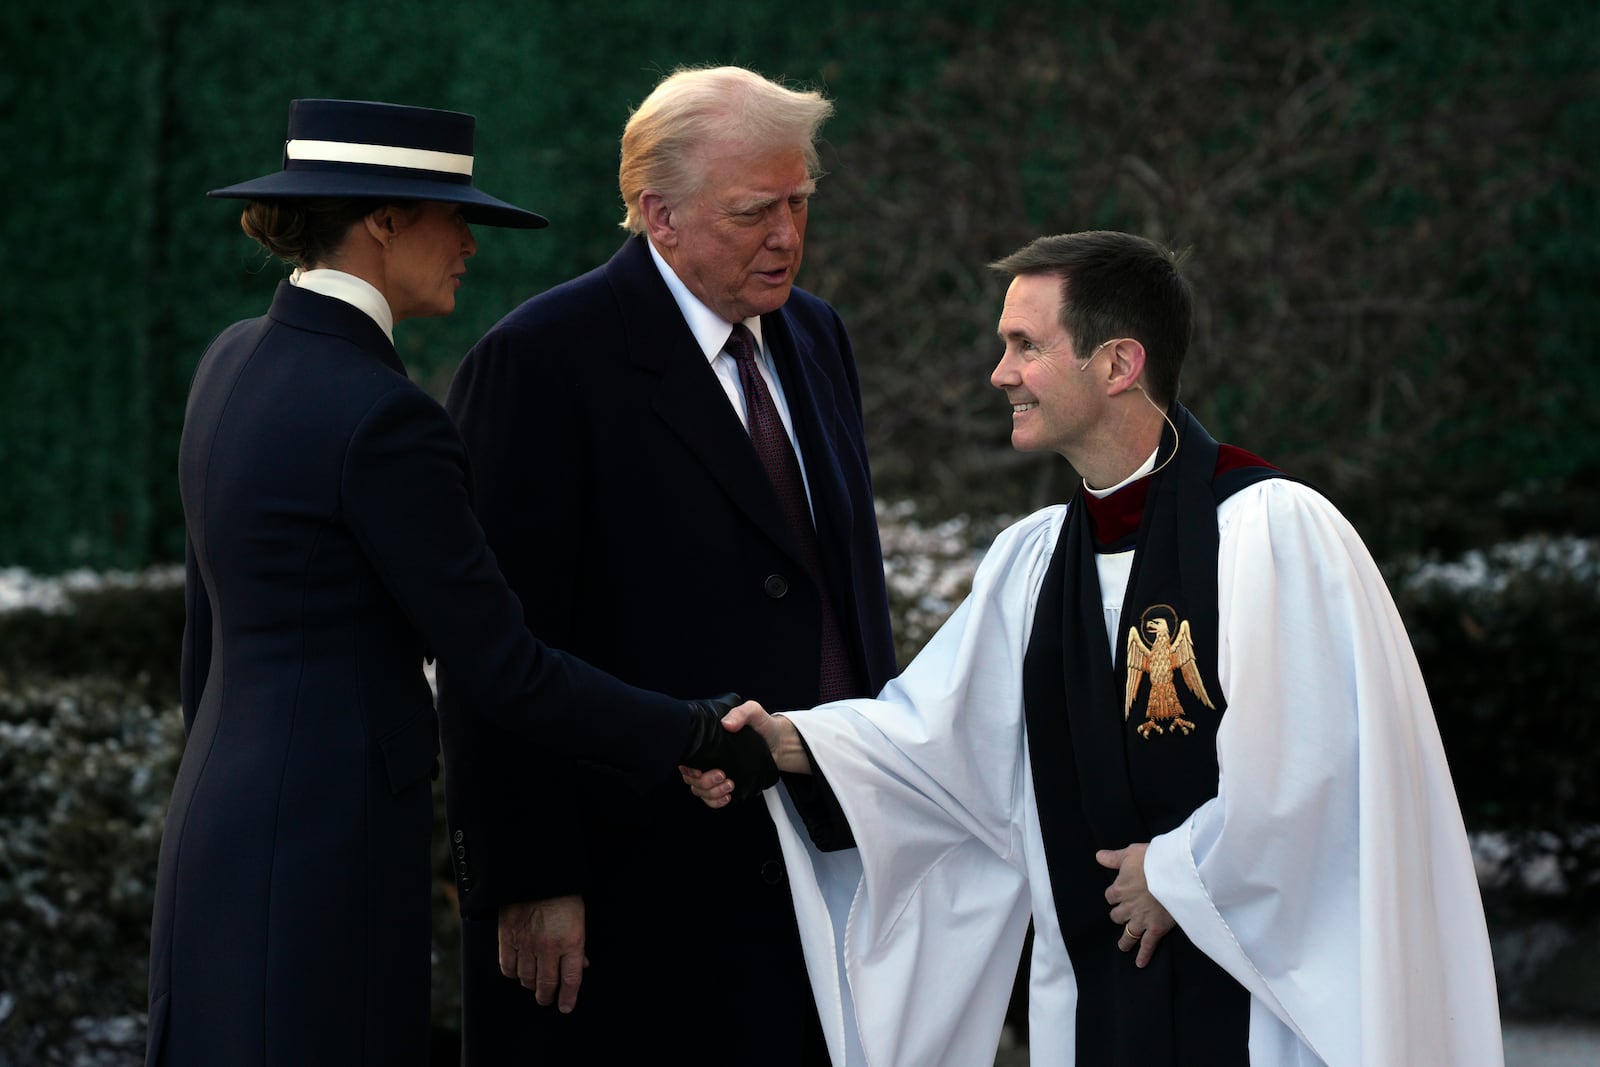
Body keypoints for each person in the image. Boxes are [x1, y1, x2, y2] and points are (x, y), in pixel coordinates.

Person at [687, 232, 1504, 1065]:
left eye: (1025, 346)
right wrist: (786, 741)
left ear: (1117, 365)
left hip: (1261, 1013)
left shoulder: (1273, 531)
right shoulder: (1033, 560)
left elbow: (1326, 772)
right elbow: (937, 740)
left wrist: (1183, 874)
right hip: (1096, 1008)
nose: (1000, 372)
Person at [144, 98, 772, 1067]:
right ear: (385, 220)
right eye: (453, 216)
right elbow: (502, 665)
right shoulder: (382, 417)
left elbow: (208, 636)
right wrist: (691, 729)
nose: (468, 245)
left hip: (215, 831)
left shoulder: (232, 360)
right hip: (326, 849)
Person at [440, 66, 897, 1064]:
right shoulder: (542, 360)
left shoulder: (816, 335)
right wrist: (528, 875)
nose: (785, 234)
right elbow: (494, 646)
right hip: (629, 882)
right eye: (752, 212)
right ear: (659, 215)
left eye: (799, 203)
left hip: (822, 855)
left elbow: (842, 593)